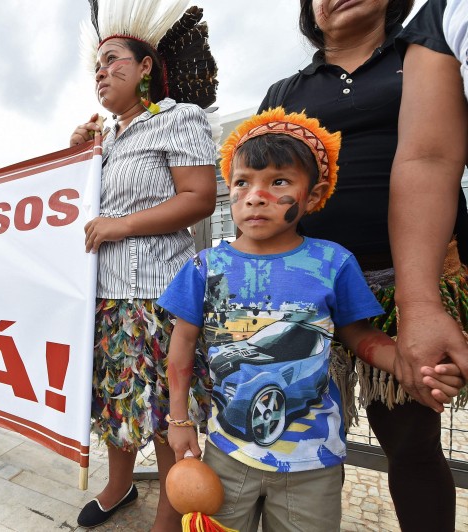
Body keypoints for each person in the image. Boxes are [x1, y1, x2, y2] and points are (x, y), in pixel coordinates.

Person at [160, 109, 464, 532]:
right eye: (243, 181)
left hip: (313, 465)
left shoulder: (334, 262)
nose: (255, 195)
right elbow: (183, 344)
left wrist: (413, 367)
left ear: (314, 194)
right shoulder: (203, 267)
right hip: (225, 454)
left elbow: (359, 335)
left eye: (279, 182)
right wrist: (178, 421)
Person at [258, 1, 465, 529]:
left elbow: (434, 156)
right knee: (299, 438)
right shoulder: (285, 93)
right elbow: (257, 181)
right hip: (309, 291)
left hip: (408, 284)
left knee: (412, 443)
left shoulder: (430, 53)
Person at [68, 1, 218, 528]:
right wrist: (76, 159)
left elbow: (199, 197)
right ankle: (119, 487)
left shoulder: (179, 118)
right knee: (116, 402)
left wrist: (121, 225)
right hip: (107, 295)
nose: (102, 72)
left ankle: (171, 512)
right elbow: (78, 211)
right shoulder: (101, 140)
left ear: (146, 66)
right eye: (97, 67)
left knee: (165, 408)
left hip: (162, 293)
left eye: (113, 61)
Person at [391, 0, 468, 408]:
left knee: (413, 446)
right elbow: (428, 158)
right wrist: (419, 307)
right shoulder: (442, 16)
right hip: (360, 286)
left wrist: (420, 304)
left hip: (408, 277)